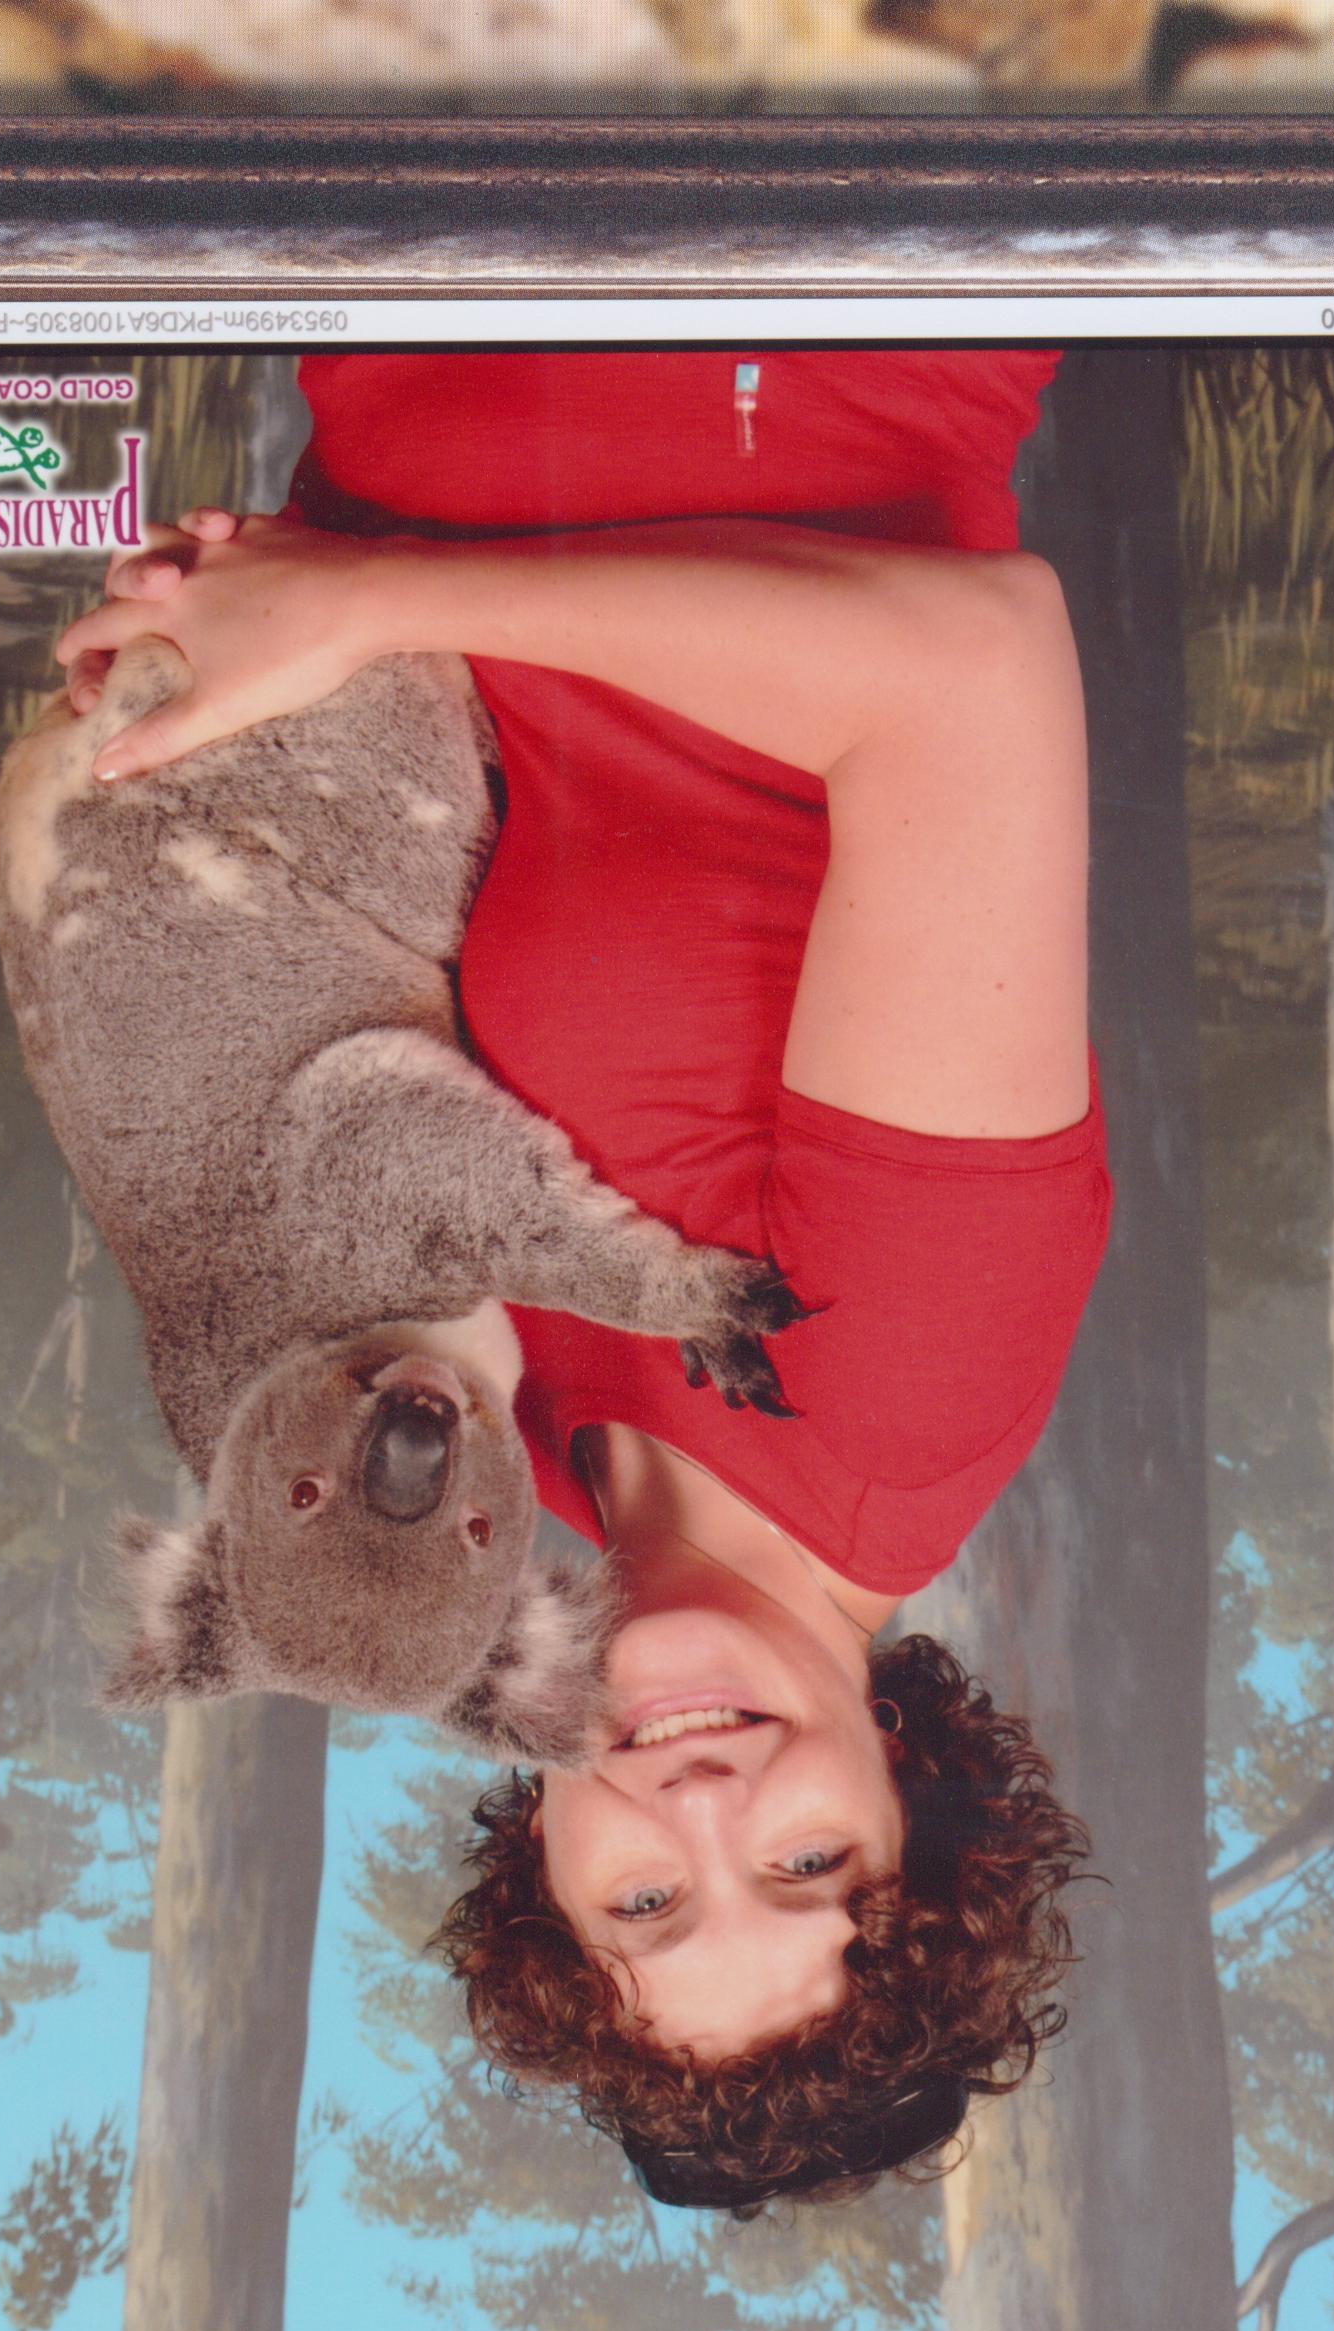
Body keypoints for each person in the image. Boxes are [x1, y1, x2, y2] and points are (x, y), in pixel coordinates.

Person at [55, 349, 1107, 2215]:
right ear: (907, 1788)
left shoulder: (506, 1445)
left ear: (544, 1860)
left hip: (416, 316)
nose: (703, 1814)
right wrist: (370, 603)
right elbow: (971, 673)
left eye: (645, 1906)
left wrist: (222, 666)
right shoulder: (900, 1394)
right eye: (808, 1870)